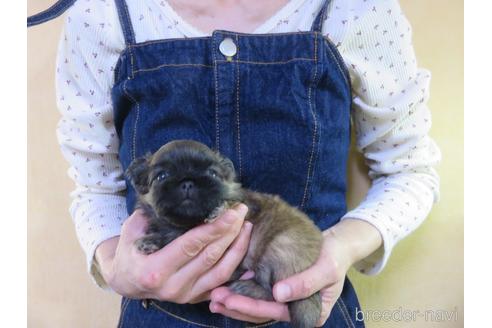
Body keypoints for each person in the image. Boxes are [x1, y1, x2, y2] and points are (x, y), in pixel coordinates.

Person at [28, 0, 441, 326]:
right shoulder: (101, 13)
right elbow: (95, 185)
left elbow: (410, 169)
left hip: (304, 302)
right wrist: (115, 265)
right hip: (157, 313)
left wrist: (340, 250)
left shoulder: (359, 9)